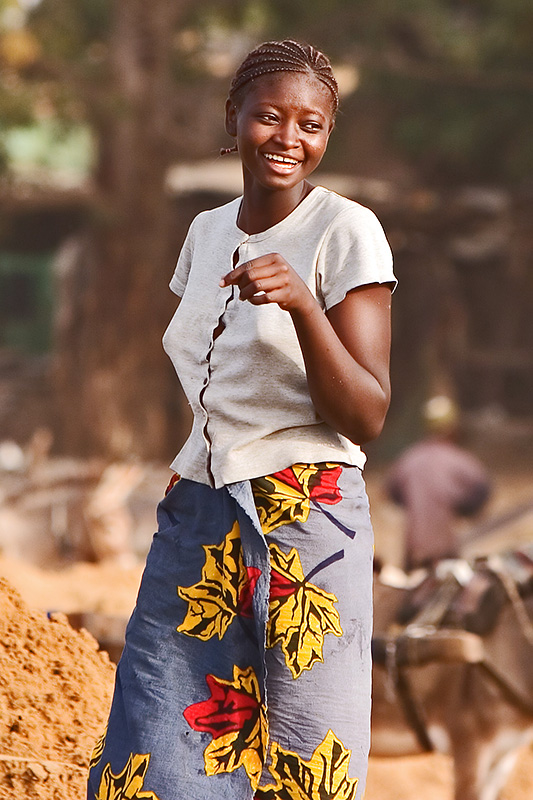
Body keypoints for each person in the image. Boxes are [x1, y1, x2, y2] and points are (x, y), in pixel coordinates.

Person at [87, 39, 395, 800]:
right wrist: (192, 458)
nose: (289, 139)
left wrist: (300, 303)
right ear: (234, 118)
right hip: (200, 504)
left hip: (306, 510)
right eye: (269, 117)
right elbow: (210, 374)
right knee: (155, 740)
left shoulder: (345, 230)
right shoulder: (204, 233)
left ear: (327, 135)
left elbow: (366, 413)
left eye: (311, 125)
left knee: (307, 759)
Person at [385, 395, 491, 572]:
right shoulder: (460, 461)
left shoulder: (409, 459)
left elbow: (392, 491)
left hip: (413, 554)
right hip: (446, 552)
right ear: (453, 428)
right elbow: (482, 491)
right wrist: (462, 509)